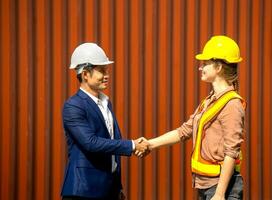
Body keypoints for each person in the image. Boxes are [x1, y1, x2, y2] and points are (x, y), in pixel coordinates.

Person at [141, 35, 246, 200]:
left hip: (221, 188)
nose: (200, 67)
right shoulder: (210, 100)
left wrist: (219, 194)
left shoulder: (232, 105)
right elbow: (184, 131)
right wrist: (150, 144)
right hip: (206, 186)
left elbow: (231, 152)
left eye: (205, 64)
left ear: (218, 67)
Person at [61, 43, 149, 200]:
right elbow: (91, 143)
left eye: (106, 70)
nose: (107, 74)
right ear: (85, 74)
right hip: (84, 191)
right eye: (101, 70)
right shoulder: (73, 106)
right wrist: (133, 145)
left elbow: (111, 145)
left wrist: (116, 188)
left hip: (108, 190)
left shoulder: (106, 103)